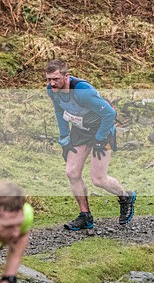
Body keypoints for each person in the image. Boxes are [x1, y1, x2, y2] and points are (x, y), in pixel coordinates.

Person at [45, 59, 136, 231]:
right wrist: (64, 140)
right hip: (81, 131)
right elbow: (59, 112)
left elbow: (110, 113)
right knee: (72, 172)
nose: (52, 83)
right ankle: (85, 216)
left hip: (103, 130)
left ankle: (126, 197)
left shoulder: (82, 92)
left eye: (55, 79)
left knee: (98, 179)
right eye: (49, 79)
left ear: (66, 76)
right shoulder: (52, 91)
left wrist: (100, 139)